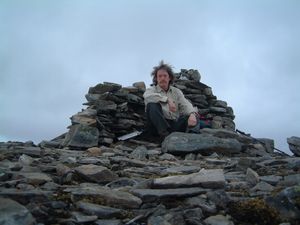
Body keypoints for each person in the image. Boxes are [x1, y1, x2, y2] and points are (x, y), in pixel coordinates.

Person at [143, 60, 198, 139]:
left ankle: (194, 137)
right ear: (156, 78)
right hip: (156, 127)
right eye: (160, 76)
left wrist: (192, 114)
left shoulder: (176, 91)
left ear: (170, 78)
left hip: (173, 126)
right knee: (152, 105)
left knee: (193, 113)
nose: (162, 78)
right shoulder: (151, 90)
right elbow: (147, 96)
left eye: (165, 76)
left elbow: (185, 104)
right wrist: (167, 99)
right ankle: (164, 136)